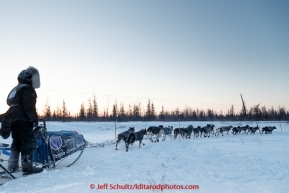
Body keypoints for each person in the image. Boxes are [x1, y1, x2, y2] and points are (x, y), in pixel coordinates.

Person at [0, 66, 43, 175]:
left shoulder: (17, 88)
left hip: (14, 120)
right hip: (24, 120)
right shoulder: (28, 89)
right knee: (27, 142)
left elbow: (13, 107)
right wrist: (34, 120)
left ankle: (12, 165)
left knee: (16, 142)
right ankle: (27, 167)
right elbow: (29, 107)